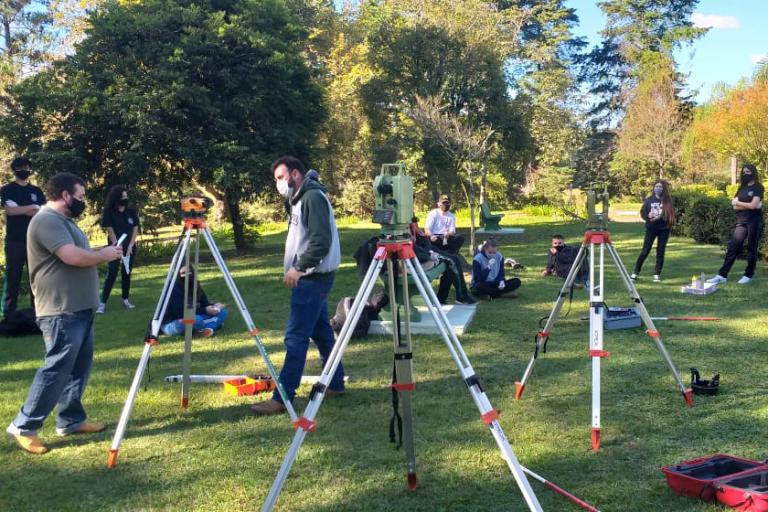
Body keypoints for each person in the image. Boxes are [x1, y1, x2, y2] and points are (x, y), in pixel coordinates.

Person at [6, 172, 122, 454]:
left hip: (80, 307)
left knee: (78, 368)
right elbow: (71, 257)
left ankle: (70, 420)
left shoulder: (65, 222)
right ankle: (23, 426)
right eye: (80, 197)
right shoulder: (46, 220)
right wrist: (103, 255)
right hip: (60, 310)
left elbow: (79, 254)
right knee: (56, 369)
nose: (83, 201)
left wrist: (102, 251)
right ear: (64, 194)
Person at [251, 156, 345, 415]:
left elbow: (320, 241)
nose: (279, 184)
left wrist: (299, 267)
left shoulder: (312, 198)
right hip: (313, 279)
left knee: (295, 339)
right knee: (322, 335)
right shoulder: (300, 198)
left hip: (311, 279)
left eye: (281, 178)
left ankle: (282, 398)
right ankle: (336, 384)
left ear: (295, 174)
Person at [1, 156, 45, 318]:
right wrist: (32, 207)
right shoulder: (7, 189)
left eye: (26, 167)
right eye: (20, 168)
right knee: (13, 277)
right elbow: (10, 211)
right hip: (15, 240)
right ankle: (8, 314)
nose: (24, 170)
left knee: (36, 277)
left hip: (34, 240)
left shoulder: (36, 191)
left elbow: (42, 210)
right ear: (14, 170)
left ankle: (37, 312)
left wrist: (23, 208)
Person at [707, 164, 764, 285]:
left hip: (754, 221)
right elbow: (734, 205)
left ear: (753, 172)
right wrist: (746, 205)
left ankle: (748, 275)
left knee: (751, 249)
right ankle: (722, 275)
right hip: (741, 222)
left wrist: (740, 203)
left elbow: (753, 205)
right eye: (744, 172)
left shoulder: (758, 187)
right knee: (732, 248)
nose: (745, 174)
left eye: (748, 171)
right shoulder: (742, 187)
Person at [409, 218, 475, 305]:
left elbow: (426, 244)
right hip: (426, 257)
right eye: (414, 221)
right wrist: (430, 254)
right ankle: (461, 296)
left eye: (416, 221)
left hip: (432, 251)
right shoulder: (408, 233)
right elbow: (416, 249)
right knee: (452, 262)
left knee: (453, 259)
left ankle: (442, 297)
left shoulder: (417, 231)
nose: (416, 222)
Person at [97, 185, 140, 313]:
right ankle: (102, 303)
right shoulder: (109, 212)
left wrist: (131, 245)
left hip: (130, 247)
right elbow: (110, 230)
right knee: (112, 273)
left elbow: (135, 228)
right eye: (123, 196)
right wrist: (117, 245)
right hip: (115, 247)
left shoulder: (131, 211)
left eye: (126, 196)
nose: (126, 198)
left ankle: (125, 300)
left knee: (126, 272)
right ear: (117, 198)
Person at [160, 265, 228, 338]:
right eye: (183, 273)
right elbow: (180, 313)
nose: (187, 275)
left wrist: (215, 306)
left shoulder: (196, 286)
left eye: (189, 272)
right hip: (174, 323)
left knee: (222, 311)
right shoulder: (173, 290)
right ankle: (213, 324)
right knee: (197, 320)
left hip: (194, 317)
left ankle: (205, 330)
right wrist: (205, 310)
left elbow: (205, 304)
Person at [630, 180, 675, 282]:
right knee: (645, 250)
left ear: (664, 189)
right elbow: (643, 213)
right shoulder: (649, 200)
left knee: (660, 251)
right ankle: (635, 273)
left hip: (664, 230)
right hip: (651, 229)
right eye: (656, 186)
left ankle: (657, 274)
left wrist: (660, 216)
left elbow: (670, 215)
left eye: (660, 187)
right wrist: (648, 217)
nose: (658, 188)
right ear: (654, 188)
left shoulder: (667, 201)